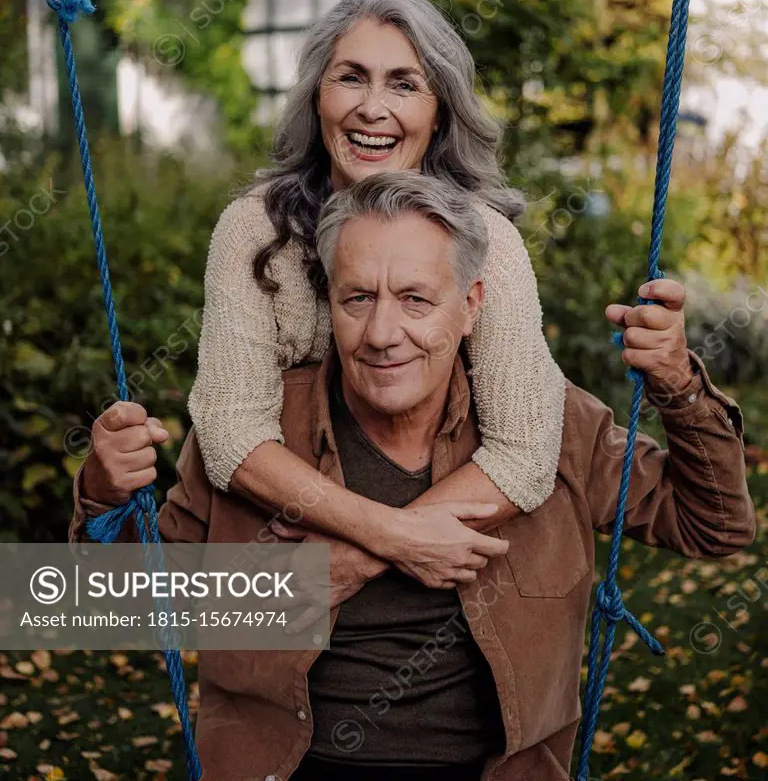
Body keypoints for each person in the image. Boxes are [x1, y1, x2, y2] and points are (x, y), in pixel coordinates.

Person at [71, 173, 756, 781]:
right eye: (358, 298)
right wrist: (103, 493)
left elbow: (716, 524)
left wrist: (674, 382)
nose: (382, 333)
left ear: (471, 305)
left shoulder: (550, 425)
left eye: (417, 300)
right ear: (328, 303)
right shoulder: (260, 434)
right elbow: (114, 606)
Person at [186, 0, 566, 533]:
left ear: (440, 111)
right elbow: (230, 433)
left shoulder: (488, 242)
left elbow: (524, 453)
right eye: (350, 77)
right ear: (318, 96)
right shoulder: (255, 232)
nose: (372, 108)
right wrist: (389, 536)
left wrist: (360, 560)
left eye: (404, 85)